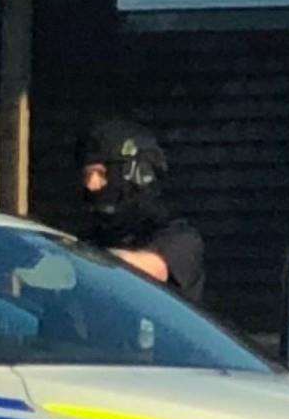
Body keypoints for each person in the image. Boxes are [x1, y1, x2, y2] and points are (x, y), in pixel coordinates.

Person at [76, 119, 205, 303]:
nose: (91, 185)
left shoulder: (180, 239)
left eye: (102, 174)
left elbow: (147, 270)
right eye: (86, 175)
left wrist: (75, 260)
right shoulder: (89, 238)